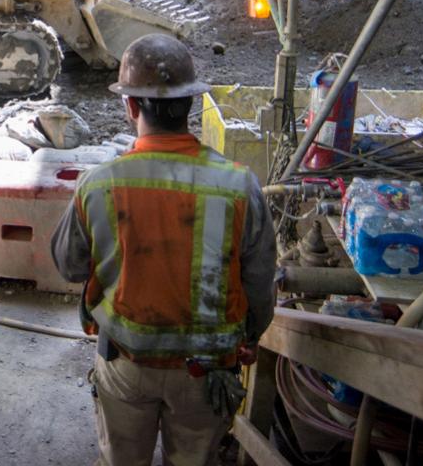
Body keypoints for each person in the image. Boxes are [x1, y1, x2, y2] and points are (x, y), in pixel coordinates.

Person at [51, 34, 276, 466]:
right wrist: (251, 335)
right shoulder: (239, 185)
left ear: (131, 106)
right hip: (206, 372)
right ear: (191, 104)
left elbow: (69, 265)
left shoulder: (98, 184)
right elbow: (260, 279)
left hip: (125, 364)